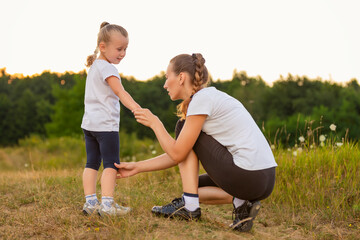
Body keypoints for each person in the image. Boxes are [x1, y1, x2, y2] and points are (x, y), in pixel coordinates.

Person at [115, 53, 277, 232]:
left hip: (247, 174)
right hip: (264, 179)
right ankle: (240, 203)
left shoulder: (202, 99)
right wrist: (138, 167)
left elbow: (178, 153)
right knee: (191, 187)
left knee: (182, 126)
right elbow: (179, 154)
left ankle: (191, 208)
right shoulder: (211, 97)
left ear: (181, 77)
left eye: (167, 77)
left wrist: (155, 123)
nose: (165, 84)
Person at [81, 22, 141, 216]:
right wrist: (136, 108)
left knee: (91, 163)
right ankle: (107, 206)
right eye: (119, 49)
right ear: (103, 47)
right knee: (110, 164)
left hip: (89, 125)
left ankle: (90, 203)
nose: (123, 53)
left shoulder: (94, 68)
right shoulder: (108, 69)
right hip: (106, 127)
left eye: (125, 49)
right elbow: (120, 92)